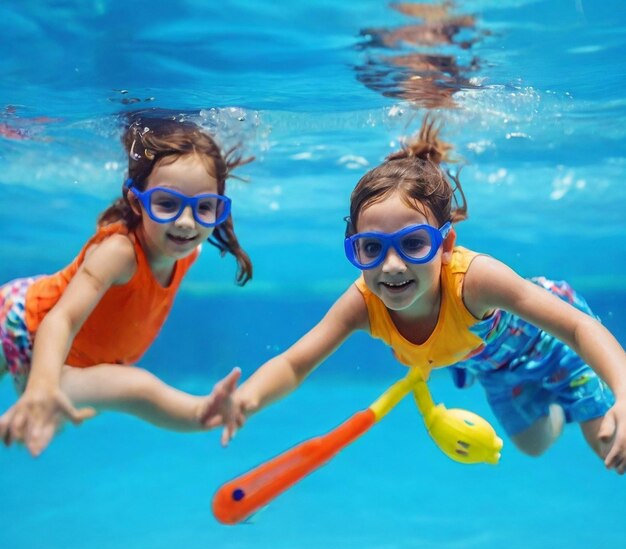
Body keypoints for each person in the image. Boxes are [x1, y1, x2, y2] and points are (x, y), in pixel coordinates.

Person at [208, 116, 626, 475]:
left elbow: (575, 326)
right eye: (371, 248)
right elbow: (294, 364)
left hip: (555, 347)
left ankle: (582, 394)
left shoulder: (475, 281)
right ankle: (557, 401)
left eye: (413, 245)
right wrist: (247, 398)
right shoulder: (363, 303)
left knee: (612, 445)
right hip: (492, 366)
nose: (391, 266)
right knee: (533, 445)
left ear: (445, 246)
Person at [0, 114, 252, 456]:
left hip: (74, 360)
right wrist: (42, 385)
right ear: (138, 202)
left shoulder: (187, 252)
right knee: (133, 387)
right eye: (167, 203)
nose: (186, 222)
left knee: (116, 393)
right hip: (21, 322)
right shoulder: (119, 252)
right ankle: (199, 411)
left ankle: (204, 413)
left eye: (204, 207)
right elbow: (60, 320)